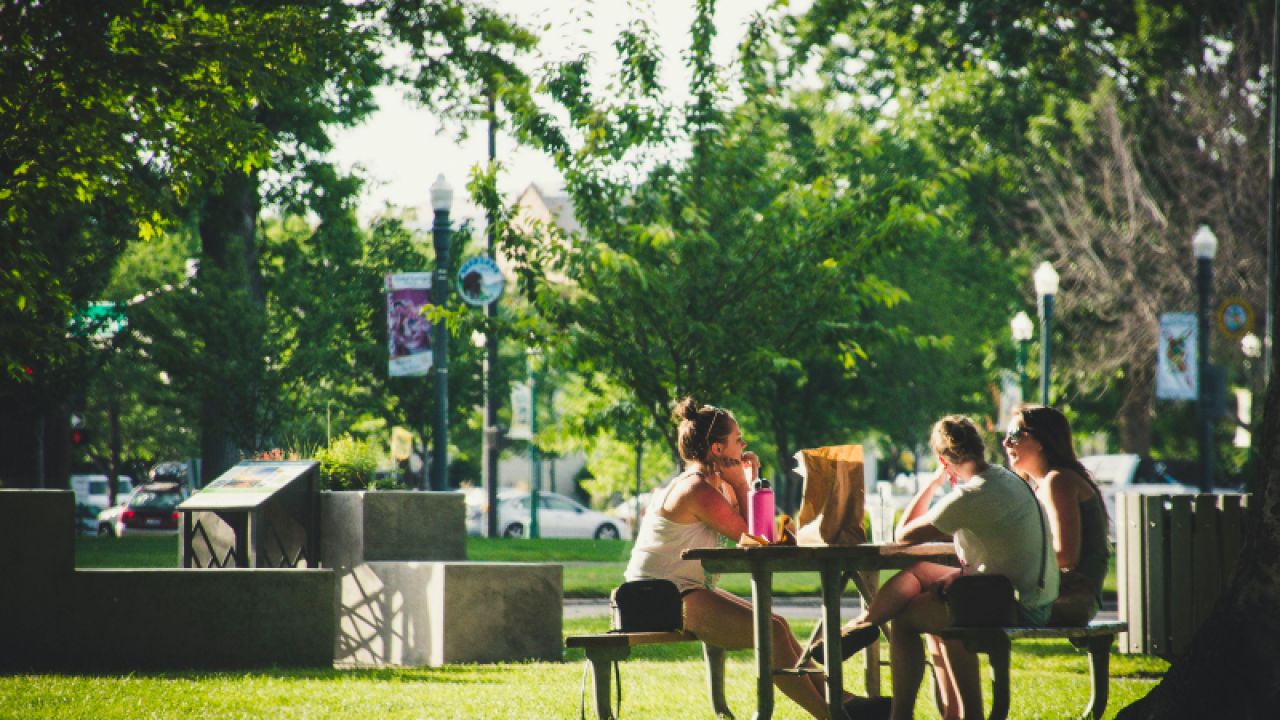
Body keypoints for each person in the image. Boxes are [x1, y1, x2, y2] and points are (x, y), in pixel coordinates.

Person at [624, 398, 881, 720]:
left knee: (777, 624)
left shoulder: (716, 485)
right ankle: (833, 715)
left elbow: (761, 533)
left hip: (680, 589)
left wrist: (747, 482)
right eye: (737, 439)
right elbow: (755, 538)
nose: (744, 444)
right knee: (770, 633)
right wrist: (744, 483)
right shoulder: (696, 489)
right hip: (653, 597)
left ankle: (844, 701)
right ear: (718, 449)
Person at [811, 415, 1058, 720]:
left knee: (904, 618)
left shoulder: (971, 495)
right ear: (980, 446)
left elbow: (904, 533)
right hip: (1024, 592)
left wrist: (934, 481)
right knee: (921, 572)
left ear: (944, 459)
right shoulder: (1005, 478)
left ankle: (901, 714)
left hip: (1015, 603)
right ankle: (863, 625)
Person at [1004, 405, 1111, 626]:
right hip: (1058, 592)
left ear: (1042, 441)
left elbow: (1066, 557)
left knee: (970, 611)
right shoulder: (1042, 485)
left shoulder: (1058, 481)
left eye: (1014, 435)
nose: (1006, 443)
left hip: (1075, 598)